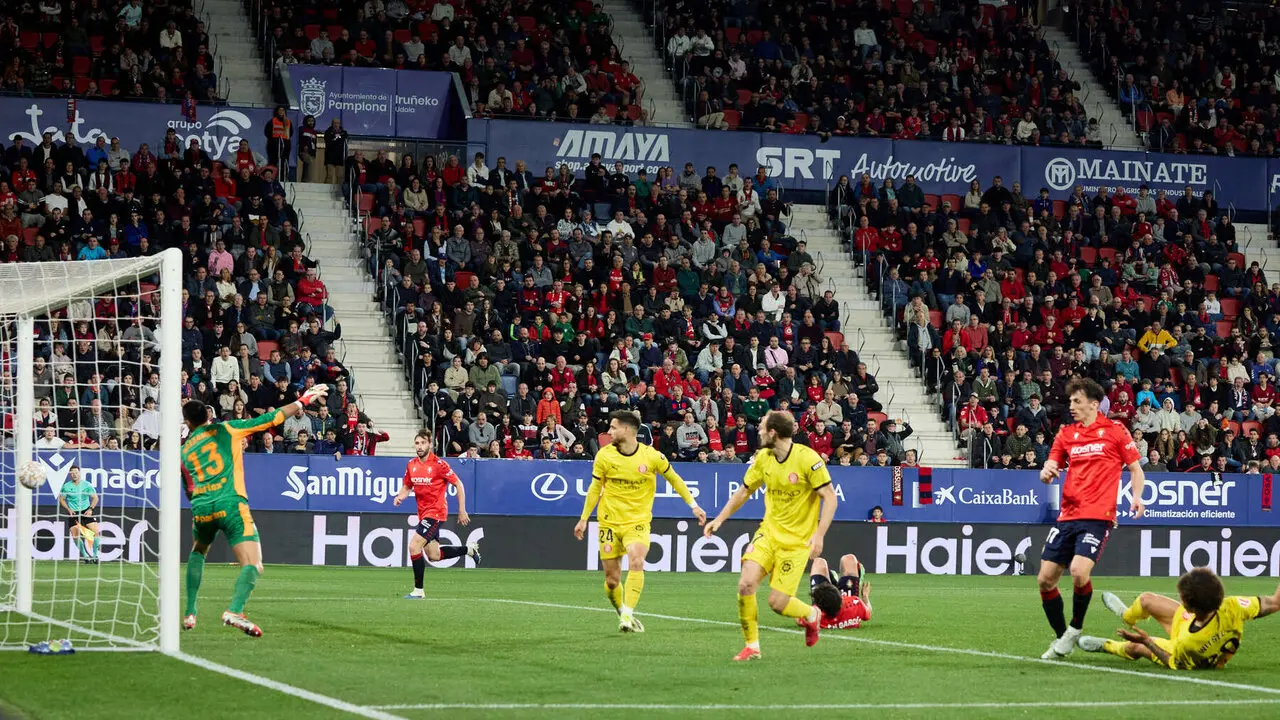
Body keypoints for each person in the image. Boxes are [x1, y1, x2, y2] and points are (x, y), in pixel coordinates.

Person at [180, 383, 329, 637]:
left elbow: (189, 489)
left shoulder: (184, 451)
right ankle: (234, 610)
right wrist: (303, 400)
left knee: (199, 550)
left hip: (202, 507)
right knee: (253, 563)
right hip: (231, 502)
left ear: (188, 423)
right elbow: (270, 418)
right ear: (208, 416)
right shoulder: (226, 428)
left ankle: (190, 612)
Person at [705, 410, 838, 661]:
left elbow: (830, 498)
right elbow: (743, 492)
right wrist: (719, 519)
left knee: (777, 604)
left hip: (797, 544)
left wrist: (819, 535)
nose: (759, 431)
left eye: (763, 427)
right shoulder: (763, 458)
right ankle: (752, 646)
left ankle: (812, 615)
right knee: (745, 585)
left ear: (773, 432)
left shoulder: (807, 458)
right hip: (768, 534)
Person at [1038, 377, 1145, 660]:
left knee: (1078, 571)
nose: (1071, 405)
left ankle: (1075, 629)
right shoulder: (1066, 434)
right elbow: (1051, 462)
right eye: (1070, 401)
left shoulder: (1115, 431)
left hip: (1098, 515)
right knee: (1045, 580)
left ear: (1094, 404)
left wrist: (1136, 496)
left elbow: (1135, 469)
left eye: (1077, 401)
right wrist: (1047, 470)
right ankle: (1062, 638)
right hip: (1067, 516)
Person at [574, 410, 705, 632]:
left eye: (613, 428)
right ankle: (620, 610)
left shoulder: (651, 456)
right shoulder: (604, 456)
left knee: (636, 561)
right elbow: (595, 488)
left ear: (626, 430)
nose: (609, 431)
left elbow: (674, 479)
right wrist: (584, 518)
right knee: (613, 580)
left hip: (638, 522)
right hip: (609, 522)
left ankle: (627, 615)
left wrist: (693, 505)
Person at [1079, 568, 1280, 669]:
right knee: (1147, 600)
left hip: (1192, 647)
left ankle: (1107, 645)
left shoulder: (1188, 643)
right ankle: (1126, 615)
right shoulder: (1232, 606)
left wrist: (1147, 642)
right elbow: (1275, 603)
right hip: (1195, 623)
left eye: (1181, 596)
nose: (1179, 597)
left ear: (1188, 606)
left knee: (1136, 648)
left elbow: (1173, 662)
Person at [393, 429, 483, 599]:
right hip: (423, 513)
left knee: (414, 546)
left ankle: (418, 591)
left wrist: (462, 510)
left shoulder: (439, 465)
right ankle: (469, 550)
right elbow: (407, 486)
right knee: (434, 555)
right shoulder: (411, 465)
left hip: (436, 513)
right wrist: (400, 496)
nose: (419, 446)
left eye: (423, 443)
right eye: (417, 443)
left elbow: (459, 484)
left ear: (430, 444)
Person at [806, 553, 872, 630]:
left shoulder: (817, 616)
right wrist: (865, 597)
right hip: (845, 605)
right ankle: (836, 581)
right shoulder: (854, 603)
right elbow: (868, 611)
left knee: (819, 562)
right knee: (849, 559)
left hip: (822, 597)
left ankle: (833, 580)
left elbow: (799, 620)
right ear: (840, 598)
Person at [58, 464, 99, 563]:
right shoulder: (66, 486)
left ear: (79, 473)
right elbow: (61, 499)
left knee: (95, 532)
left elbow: (95, 498)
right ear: (69, 475)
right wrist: (68, 509)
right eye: (72, 473)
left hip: (85, 511)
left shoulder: (87, 485)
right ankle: (85, 556)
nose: (74, 475)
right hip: (74, 513)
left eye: (76, 472)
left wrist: (90, 509)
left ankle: (95, 556)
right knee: (75, 535)